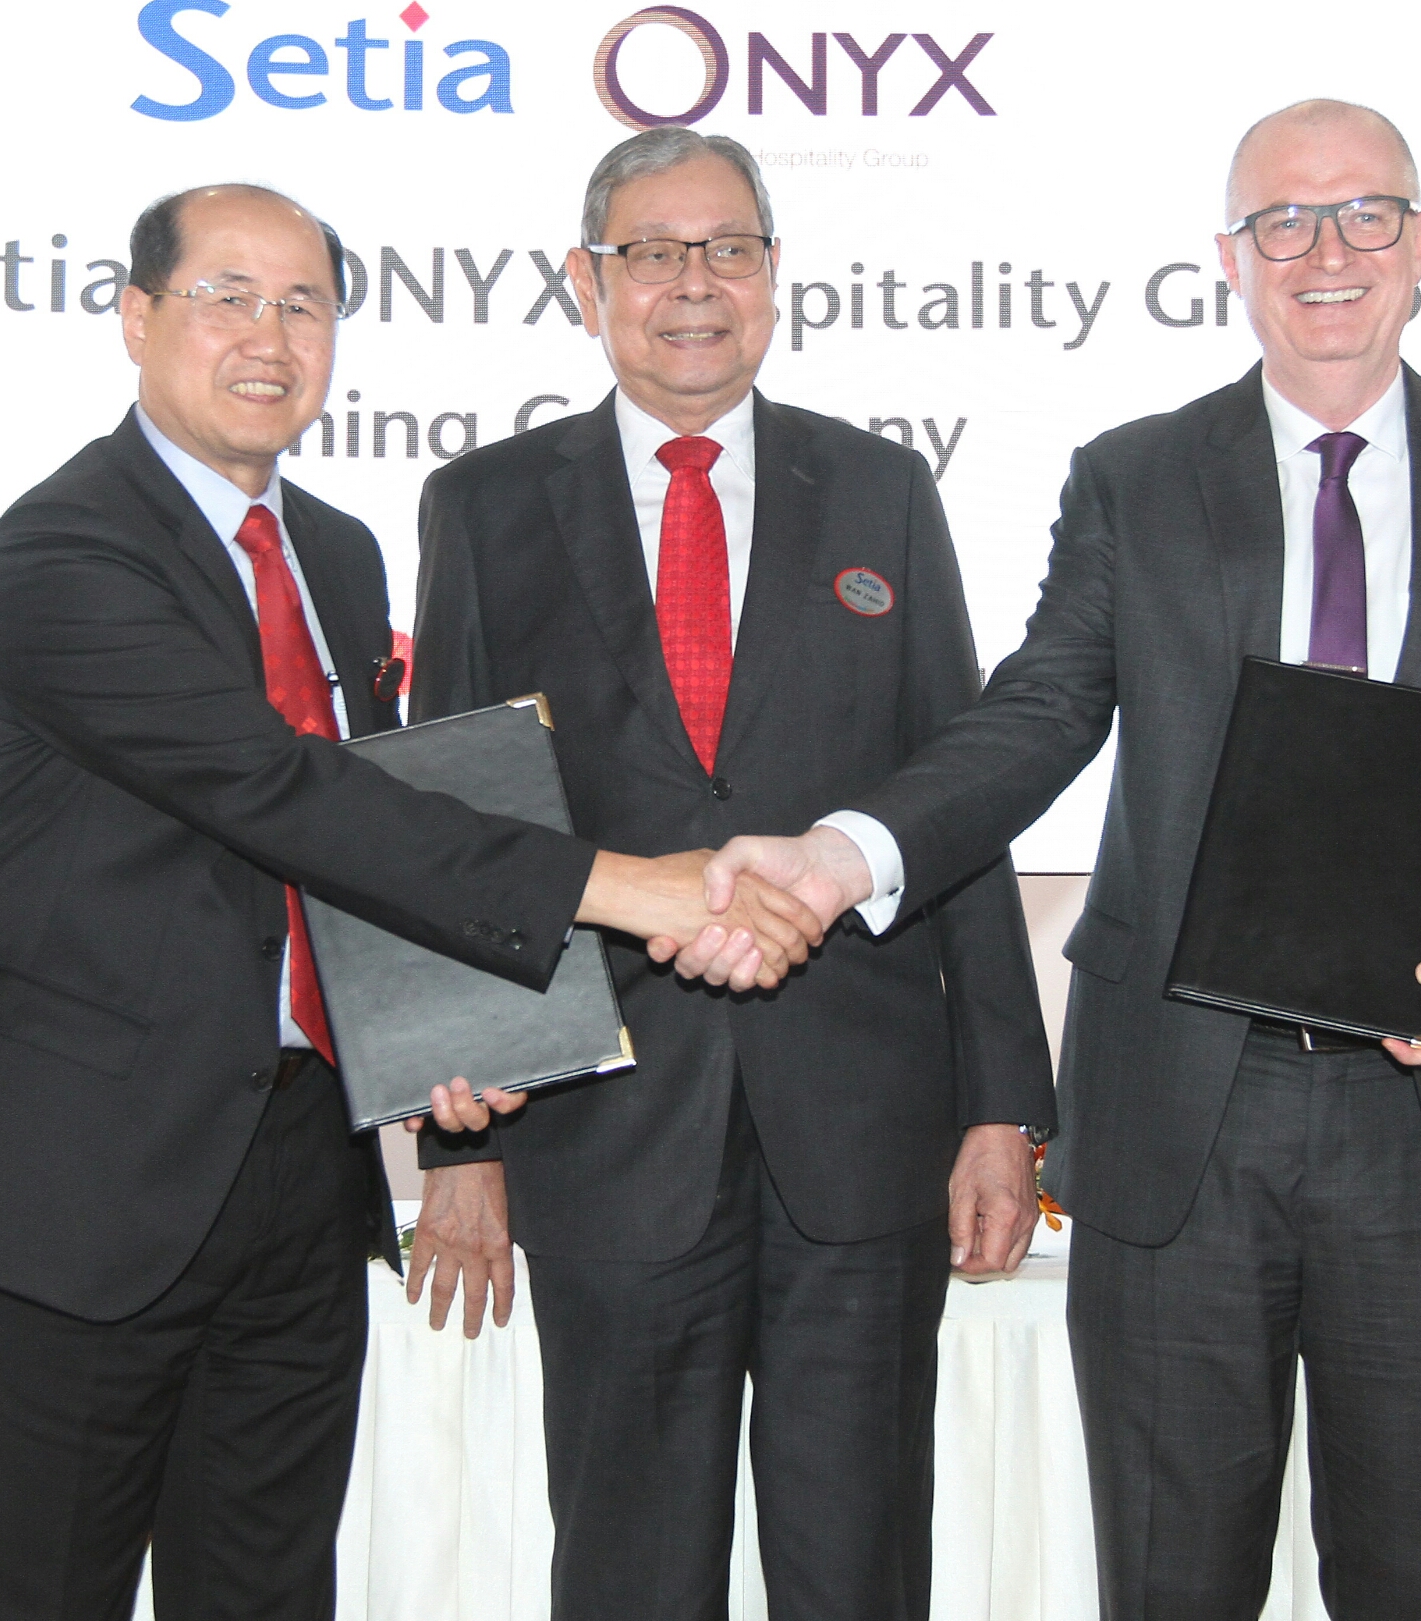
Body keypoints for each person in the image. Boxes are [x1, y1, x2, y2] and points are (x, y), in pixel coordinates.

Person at [704, 98, 1421, 1617]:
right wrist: (846, 853)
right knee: (1167, 1588)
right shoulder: (1135, 477)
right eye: (1284, 220)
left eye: (1364, 214)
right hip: (1180, 1119)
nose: (1325, 250)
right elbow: (1036, 713)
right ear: (1229, 255)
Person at [0, 181, 823, 1621]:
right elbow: (282, 791)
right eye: (228, 298)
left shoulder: (336, 550)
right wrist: (632, 888)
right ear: (135, 317)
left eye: (304, 305)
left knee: (270, 1592)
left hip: (299, 1173)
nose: (270, 337)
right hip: (76, 1182)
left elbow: (383, 839)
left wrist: (456, 1040)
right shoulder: (64, 548)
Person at [402, 126, 1056, 1621]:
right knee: (630, 1575)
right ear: (587, 284)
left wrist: (999, 1104)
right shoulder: (484, 505)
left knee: (858, 1572)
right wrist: (458, 1148)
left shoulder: (882, 488)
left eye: (729, 250)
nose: (693, 284)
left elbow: (957, 805)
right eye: (652, 252)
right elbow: (451, 826)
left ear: (774, 277)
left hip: (864, 1137)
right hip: (604, 1134)